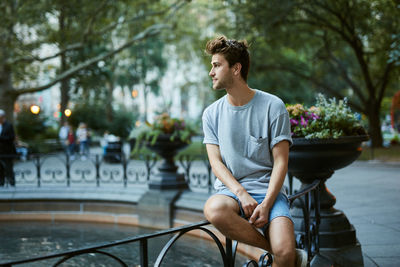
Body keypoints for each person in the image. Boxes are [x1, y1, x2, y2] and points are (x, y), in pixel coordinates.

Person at [202, 36, 307, 267]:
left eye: (217, 65)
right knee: (214, 209)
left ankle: (284, 255)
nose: (211, 72)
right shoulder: (211, 113)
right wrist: (241, 194)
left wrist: (267, 204)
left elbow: (281, 162)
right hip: (231, 193)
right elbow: (216, 163)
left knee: (286, 255)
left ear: (236, 68)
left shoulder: (273, 106)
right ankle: (277, 253)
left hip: (269, 192)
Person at [0, 109, 16, 187]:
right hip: (0, 151)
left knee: (9, 167)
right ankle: (1, 181)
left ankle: (11, 181)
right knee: (0, 168)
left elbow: (12, 137)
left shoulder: (8, 125)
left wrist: (2, 138)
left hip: (7, 150)